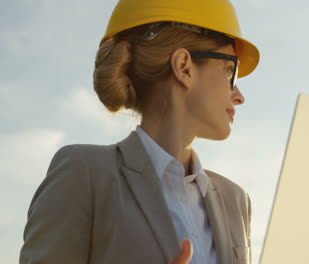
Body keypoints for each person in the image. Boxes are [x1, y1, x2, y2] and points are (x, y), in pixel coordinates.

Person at [19, 0, 260, 263]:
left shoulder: (236, 201)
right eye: (229, 71)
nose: (239, 96)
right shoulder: (84, 174)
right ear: (184, 67)